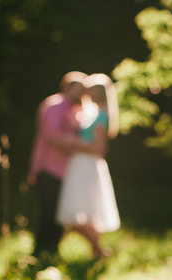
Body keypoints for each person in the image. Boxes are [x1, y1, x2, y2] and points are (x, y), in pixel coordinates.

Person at [55, 73, 121, 258]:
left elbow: (99, 148)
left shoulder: (100, 116)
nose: (87, 93)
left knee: (75, 214)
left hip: (87, 165)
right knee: (83, 212)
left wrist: (74, 141)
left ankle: (100, 251)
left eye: (91, 90)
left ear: (99, 93)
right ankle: (97, 253)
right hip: (80, 164)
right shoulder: (90, 113)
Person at [27, 71, 87, 262]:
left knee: (60, 212)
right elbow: (52, 136)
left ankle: (53, 251)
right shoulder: (53, 105)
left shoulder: (75, 110)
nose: (81, 92)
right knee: (48, 211)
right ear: (66, 87)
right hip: (48, 168)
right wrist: (83, 144)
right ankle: (40, 251)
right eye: (77, 87)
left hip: (67, 171)